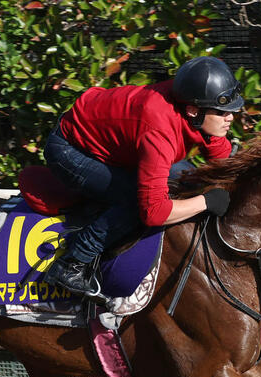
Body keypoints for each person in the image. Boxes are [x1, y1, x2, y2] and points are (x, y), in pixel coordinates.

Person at [42, 55, 244, 299]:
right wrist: (207, 202)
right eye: (223, 112)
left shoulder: (194, 104)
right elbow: (154, 212)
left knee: (187, 181)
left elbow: (219, 155)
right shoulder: (159, 130)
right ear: (193, 111)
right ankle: (72, 263)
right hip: (69, 149)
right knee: (134, 201)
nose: (231, 117)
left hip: (116, 141)